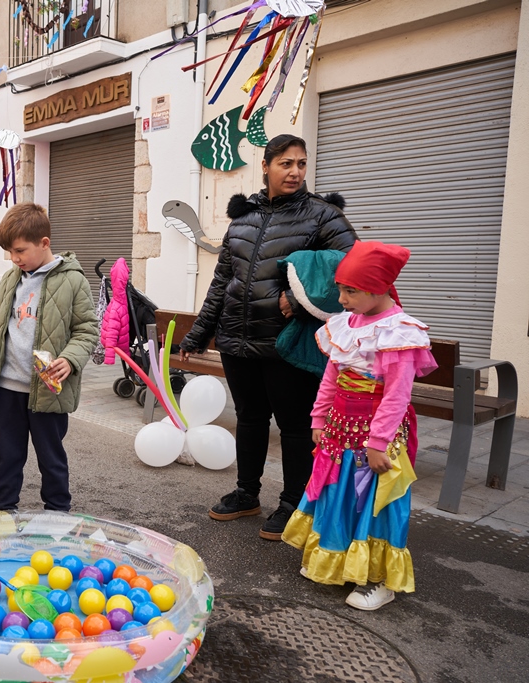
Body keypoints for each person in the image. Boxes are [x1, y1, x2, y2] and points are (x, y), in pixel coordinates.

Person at [178, 134, 358, 542]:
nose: (295, 171)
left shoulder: (323, 216)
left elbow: (352, 267)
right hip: (237, 340)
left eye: (301, 164)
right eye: (285, 164)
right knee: (251, 418)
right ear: (266, 166)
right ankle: (247, 493)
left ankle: (294, 503)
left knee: (294, 426)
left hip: (287, 343)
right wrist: (200, 332)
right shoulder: (242, 220)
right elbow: (222, 280)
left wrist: (300, 296)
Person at [283, 241, 436, 611]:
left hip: (374, 438)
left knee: (375, 503)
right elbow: (331, 379)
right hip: (340, 430)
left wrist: (379, 442)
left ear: (379, 288)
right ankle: (336, 561)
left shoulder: (398, 332)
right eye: (340, 289)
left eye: (350, 291)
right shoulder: (345, 325)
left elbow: (397, 396)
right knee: (338, 495)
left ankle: (380, 581)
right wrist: (319, 418)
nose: (342, 298)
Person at [0, 203, 99, 512]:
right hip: (6, 389)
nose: (14, 259)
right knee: (8, 456)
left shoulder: (73, 280)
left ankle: (57, 512)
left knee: (51, 457)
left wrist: (70, 358)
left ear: (44, 243)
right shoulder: (11, 279)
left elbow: (87, 329)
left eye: (20, 251)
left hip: (48, 389)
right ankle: (3, 510)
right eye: (10, 253)